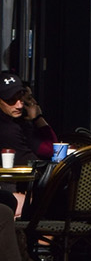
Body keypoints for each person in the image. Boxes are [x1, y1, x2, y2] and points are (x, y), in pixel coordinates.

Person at [0, 77, 57, 216]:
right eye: (11, 100)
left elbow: (50, 148)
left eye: (21, 99)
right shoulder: (7, 129)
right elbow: (34, 162)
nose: (19, 105)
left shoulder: (19, 124)